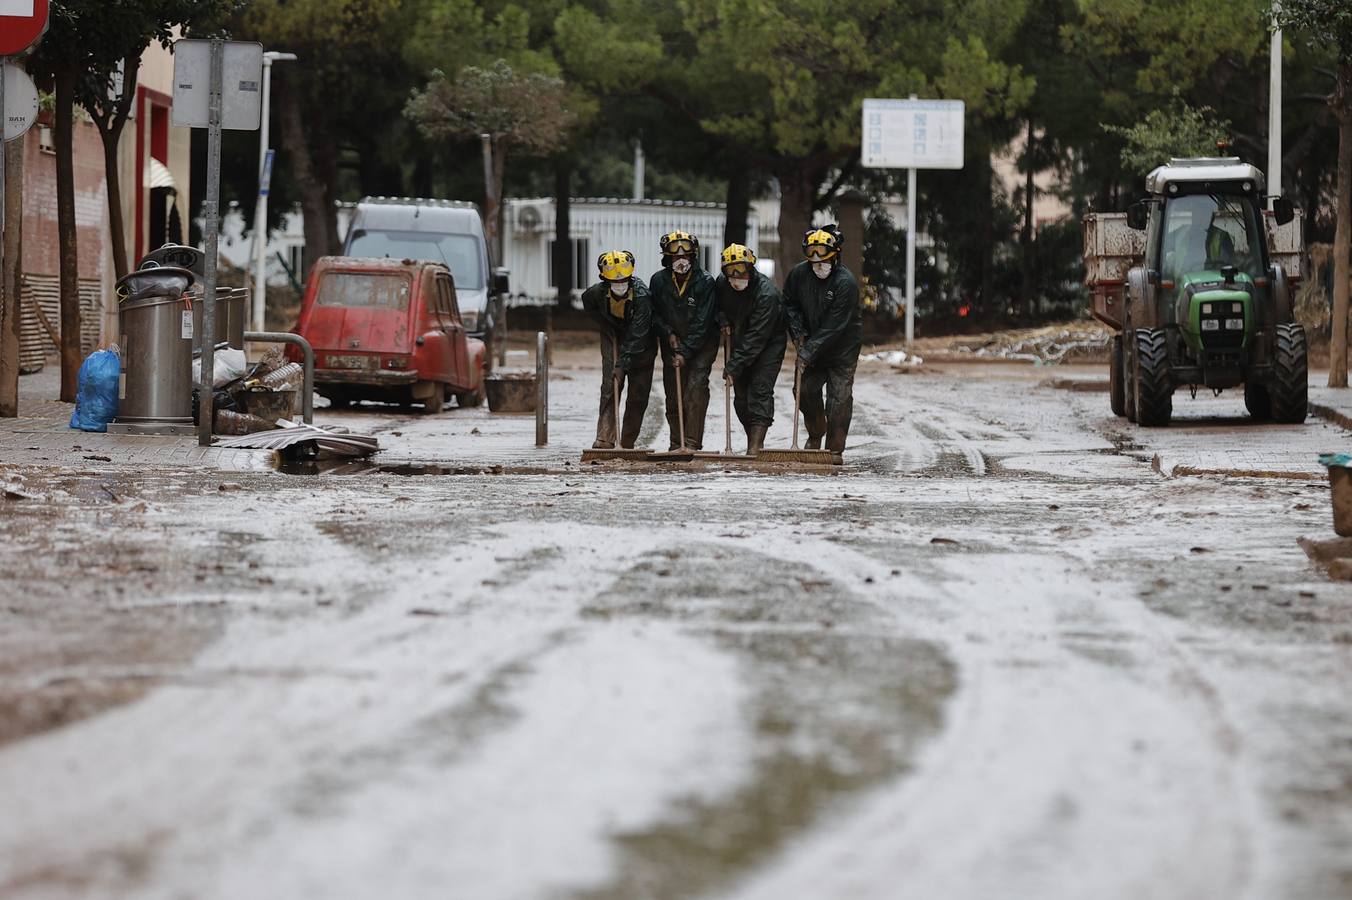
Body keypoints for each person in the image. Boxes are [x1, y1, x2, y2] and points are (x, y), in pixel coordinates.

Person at [782, 225, 862, 453]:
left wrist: (807, 353)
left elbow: (834, 327)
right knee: (804, 391)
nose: (819, 263)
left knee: (839, 401)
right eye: (813, 258)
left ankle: (834, 449)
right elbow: (790, 304)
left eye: (824, 258)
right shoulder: (798, 275)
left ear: (835, 255)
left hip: (841, 350)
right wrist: (797, 332)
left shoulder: (845, 283)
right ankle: (816, 432)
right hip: (811, 345)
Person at [649, 231, 718, 450]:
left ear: (693, 256)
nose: (681, 260)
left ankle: (691, 443)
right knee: (673, 395)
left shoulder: (705, 281)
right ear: (667, 257)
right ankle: (676, 443)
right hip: (672, 343)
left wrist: (685, 351)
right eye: (676, 256)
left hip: (702, 345)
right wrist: (668, 333)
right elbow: (654, 314)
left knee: (695, 390)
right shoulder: (658, 281)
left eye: (686, 255)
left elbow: (703, 322)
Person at [715, 244, 786, 455]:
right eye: (730, 270)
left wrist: (734, 365)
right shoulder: (722, 284)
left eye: (741, 269)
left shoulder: (767, 294)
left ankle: (755, 446)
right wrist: (722, 319)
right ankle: (752, 441)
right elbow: (717, 306)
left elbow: (757, 337)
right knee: (741, 398)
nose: (736, 275)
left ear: (751, 267)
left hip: (768, 344)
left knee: (760, 392)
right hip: (739, 341)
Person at [581, 250, 656, 449]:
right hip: (612, 336)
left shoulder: (642, 296)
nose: (620, 284)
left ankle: (627, 441)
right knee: (610, 385)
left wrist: (622, 364)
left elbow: (638, 334)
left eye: (623, 280)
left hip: (642, 343)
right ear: (606, 280)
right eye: (615, 281)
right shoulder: (596, 293)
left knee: (638, 393)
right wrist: (606, 325)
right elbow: (587, 303)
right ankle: (605, 437)